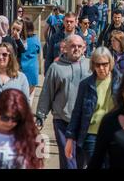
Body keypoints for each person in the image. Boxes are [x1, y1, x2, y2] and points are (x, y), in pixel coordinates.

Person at [36, 35, 91, 169]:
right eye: (73, 46)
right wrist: (40, 116)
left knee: (80, 160)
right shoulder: (56, 67)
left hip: (85, 122)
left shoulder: (91, 65)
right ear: (65, 48)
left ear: (84, 48)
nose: (76, 49)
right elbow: (47, 93)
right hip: (63, 120)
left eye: (79, 46)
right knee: (68, 159)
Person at [65, 47, 120, 168]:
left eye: (104, 64)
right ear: (93, 65)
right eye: (98, 65)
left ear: (110, 63)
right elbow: (77, 112)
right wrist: (70, 138)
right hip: (92, 135)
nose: (101, 68)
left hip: (115, 134)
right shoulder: (85, 84)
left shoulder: (121, 82)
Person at [20, 18, 41, 98]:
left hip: (20, 68)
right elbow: (38, 50)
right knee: (28, 97)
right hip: (32, 69)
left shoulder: (19, 40)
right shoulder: (35, 39)